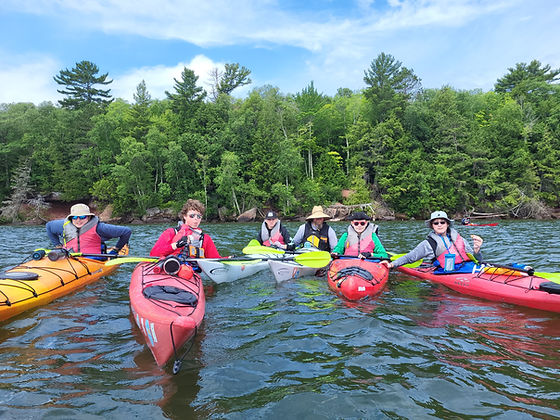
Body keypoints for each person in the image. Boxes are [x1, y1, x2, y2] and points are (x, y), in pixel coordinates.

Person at [381, 210, 483, 272]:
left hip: (468, 268)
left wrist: (477, 249)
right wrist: (392, 264)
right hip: (446, 273)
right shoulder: (428, 244)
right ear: (432, 226)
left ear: (447, 224)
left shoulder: (459, 239)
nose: (439, 225)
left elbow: (476, 260)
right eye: (436, 223)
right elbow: (410, 257)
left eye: (442, 222)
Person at [45, 203, 131, 255]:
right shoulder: (62, 225)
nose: (78, 220)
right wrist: (57, 246)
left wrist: (116, 249)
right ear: (71, 218)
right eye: (75, 217)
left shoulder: (100, 227)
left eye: (82, 217)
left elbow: (126, 232)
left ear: (89, 217)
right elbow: (48, 226)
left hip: (92, 259)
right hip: (68, 258)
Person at [150, 199, 222, 258]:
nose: (196, 219)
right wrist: (176, 245)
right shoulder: (170, 232)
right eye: (192, 216)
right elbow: (154, 254)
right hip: (172, 268)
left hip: (192, 271)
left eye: (199, 216)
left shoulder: (205, 239)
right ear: (184, 216)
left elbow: (215, 259)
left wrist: (229, 259)